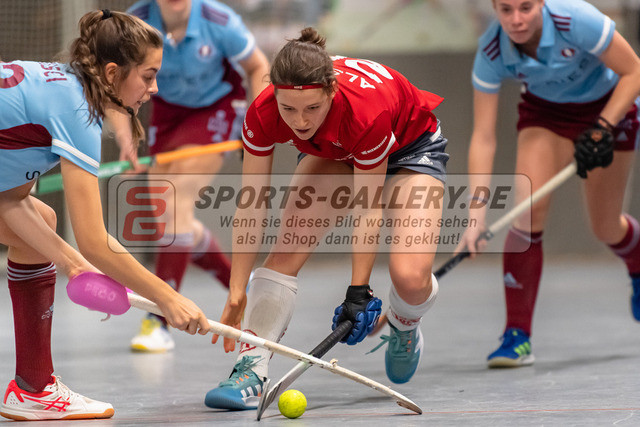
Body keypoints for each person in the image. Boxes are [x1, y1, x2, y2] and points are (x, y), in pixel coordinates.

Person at [204, 27, 449, 410]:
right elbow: (251, 205)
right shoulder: (262, 112)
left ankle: (405, 322)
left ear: (332, 92)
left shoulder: (365, 111)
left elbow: (367, 209)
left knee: (410, 278)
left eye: (312, 108)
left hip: (410, 148)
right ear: (274, 94)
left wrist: (358, 292)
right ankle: (250, 369)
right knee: (286, 249)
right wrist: (237, 291)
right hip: (336, 150)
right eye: (289, 109)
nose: (300, 121)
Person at [0, 10, 210, 421]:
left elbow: (9, 201)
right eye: (148, 76)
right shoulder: (76, 112)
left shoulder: (57, 87)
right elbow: (95, 242)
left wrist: (72, 265)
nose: (154, 88)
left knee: (41, 223)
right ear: (112, 73)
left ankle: (33, 389)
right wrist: (167, 299)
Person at [459, 0, 640, 368]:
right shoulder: (492, 51)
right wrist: (475, 216)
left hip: (609, 107)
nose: (516, 20)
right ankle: (517, 335)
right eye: (506, 10)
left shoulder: (577, 20)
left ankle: (637, 262)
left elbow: (634, 71)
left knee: (606, 227)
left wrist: (602, 127)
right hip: (546, 114)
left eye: (526, 7)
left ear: (542, 2)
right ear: (495, 8)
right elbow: (483, 138)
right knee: (526, 213)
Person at [126, 0, 269, 353]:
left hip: (215, 108)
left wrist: (256, 126)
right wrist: (127, 134)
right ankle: (242, 285)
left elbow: (257, 66)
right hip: (167, 112)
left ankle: (159, 320)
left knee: (176, 203)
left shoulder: (219, 21)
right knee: (170, 218)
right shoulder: (136, 22)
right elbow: (118, 81)